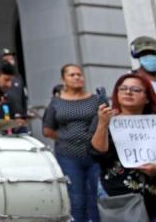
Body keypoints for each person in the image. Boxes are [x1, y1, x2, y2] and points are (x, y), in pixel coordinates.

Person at [42, 64, 106, 222]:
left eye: (79, 74)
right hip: (68, 157)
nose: (77, 77)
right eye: (72, 75)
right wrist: (66, 138)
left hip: (95, 155)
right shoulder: (56, 102)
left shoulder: (95, 99)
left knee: (97, 196)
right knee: (77, 199)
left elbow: (104, 123)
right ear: (63, 79)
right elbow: (47, 130)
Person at [90, 73, 156, 220]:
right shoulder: (105, 118)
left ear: (147, 98)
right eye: (123, 89)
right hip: (117, 196)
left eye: (135, 90)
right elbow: (97, 154)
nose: (128, 92)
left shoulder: (154, 122)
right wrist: (103, 124)